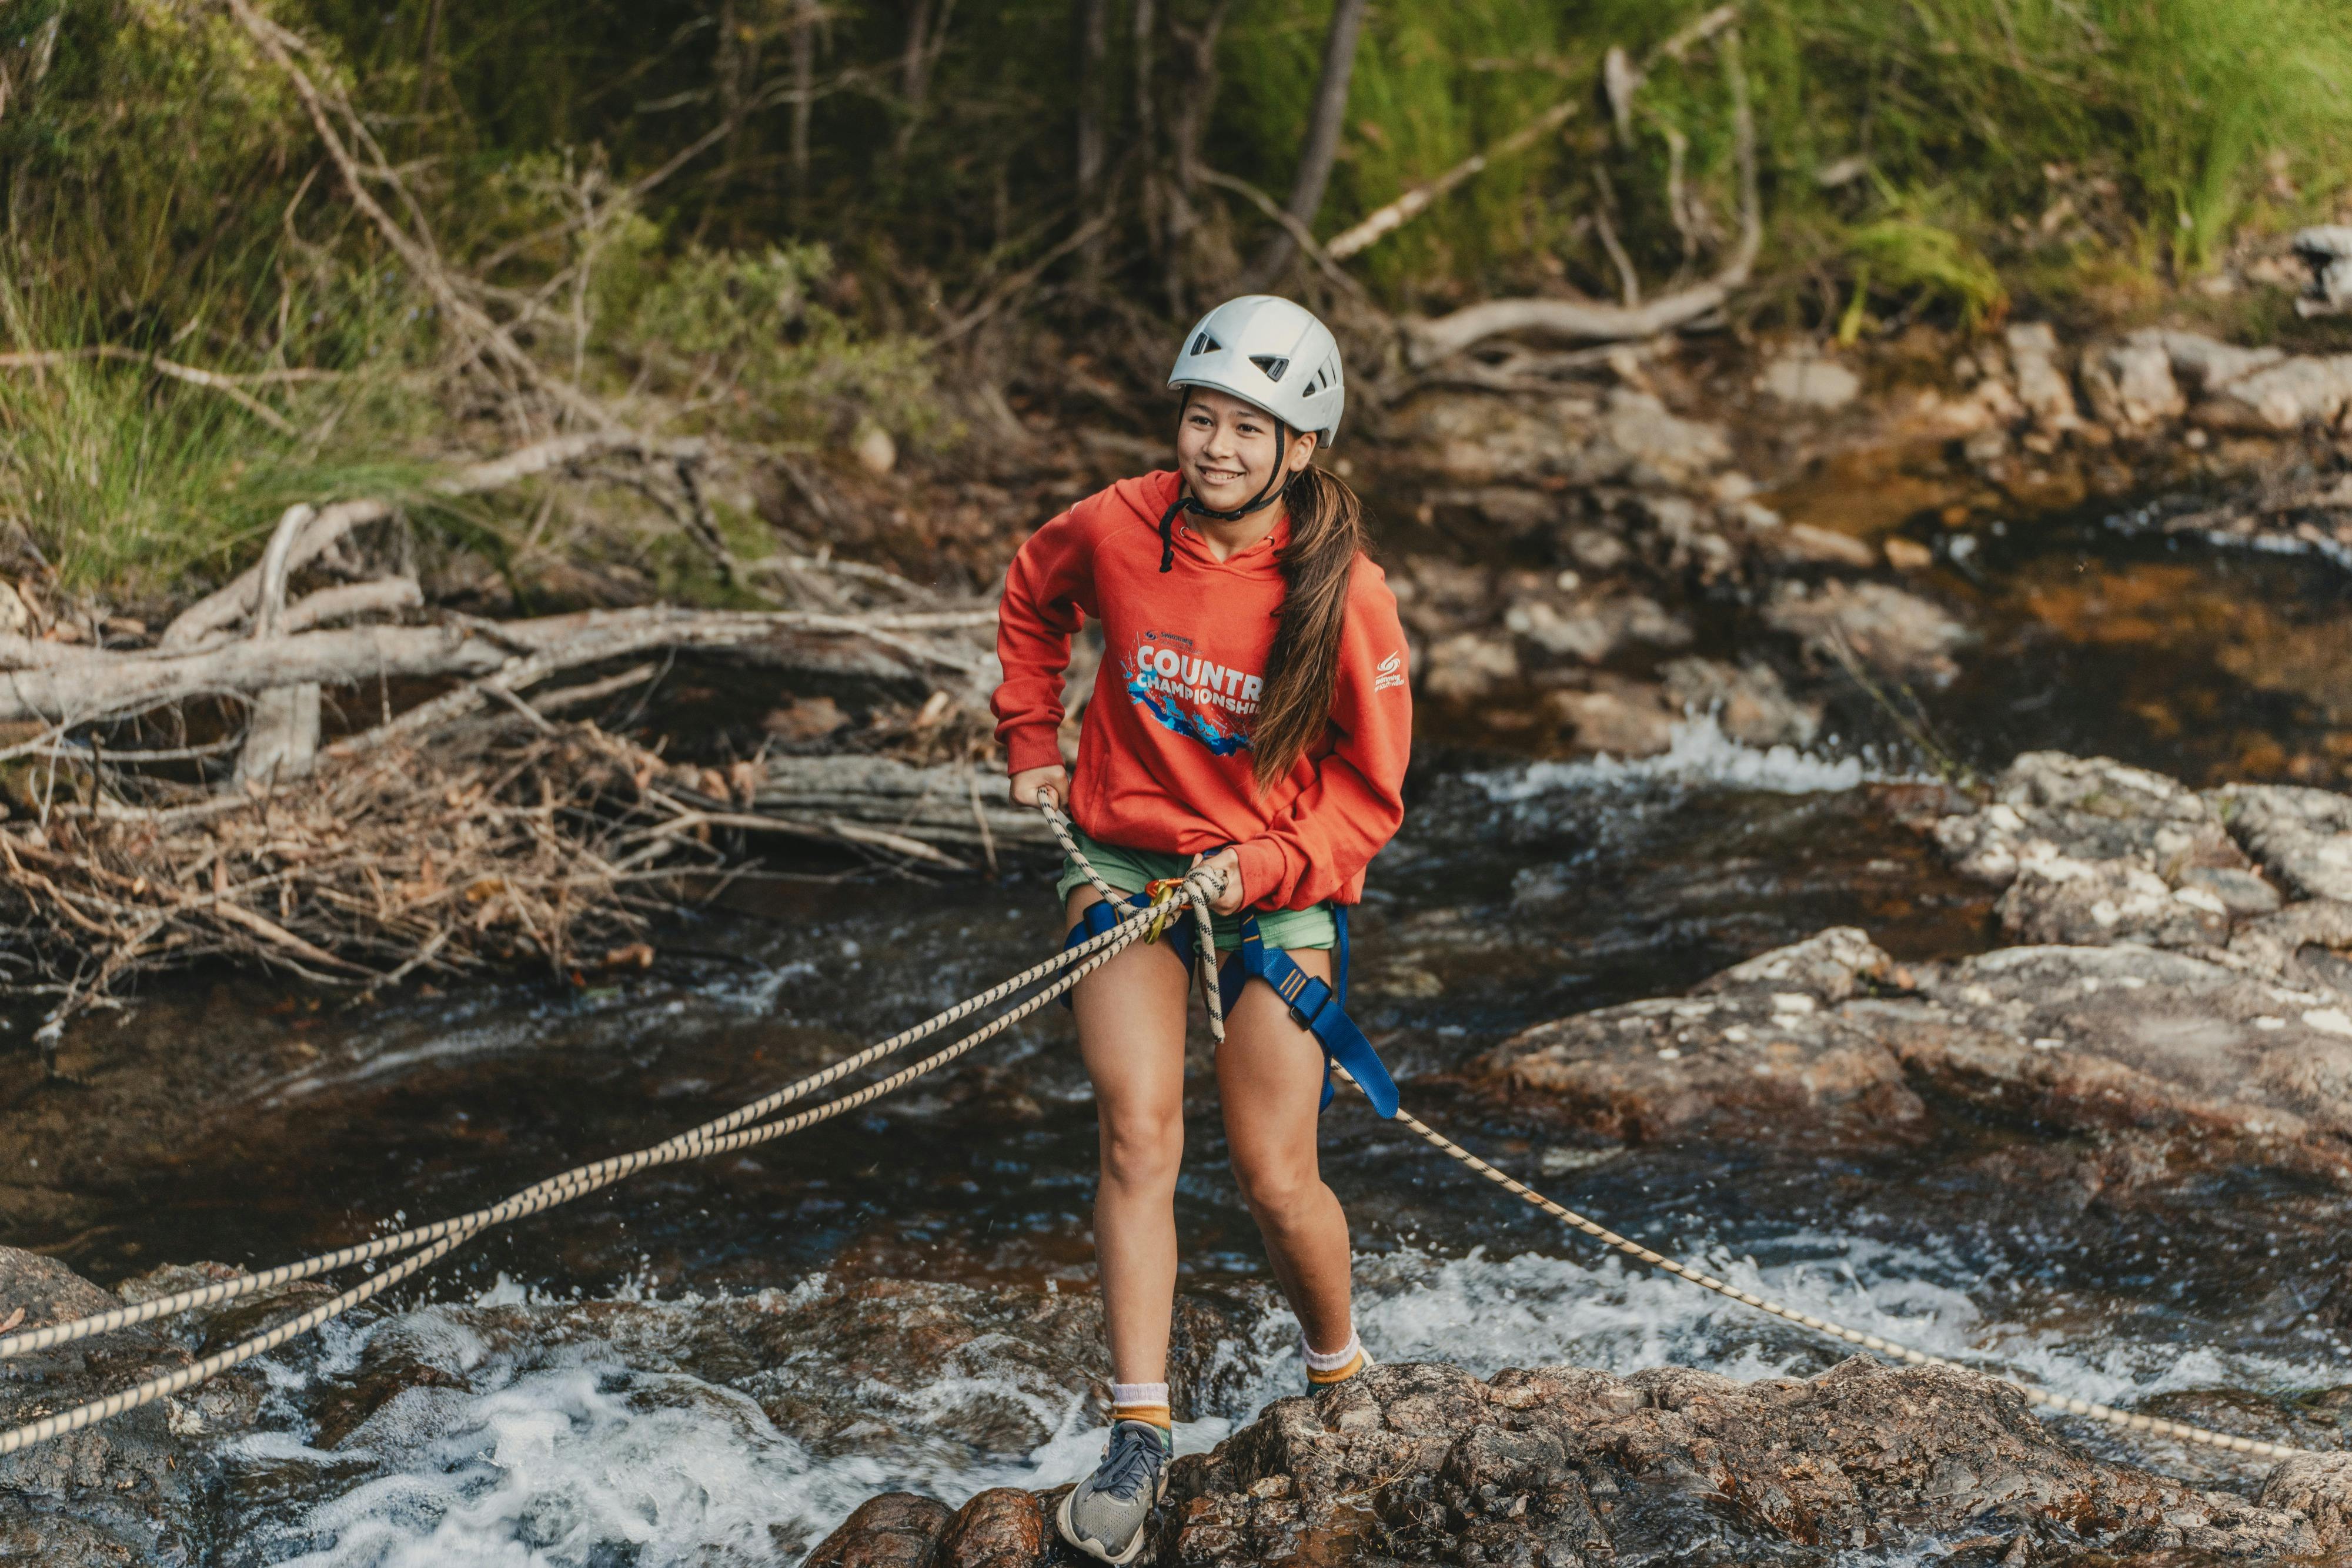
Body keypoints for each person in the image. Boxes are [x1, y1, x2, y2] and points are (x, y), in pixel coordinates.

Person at [991, 295, 1413, 1563]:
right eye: (1201, 417)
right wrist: (1027, 734)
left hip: (1274, 890)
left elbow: (1368, 796)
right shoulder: (1119, 525)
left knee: (1277, 1176)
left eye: (1248, 428)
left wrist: (1267, 863)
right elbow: (1032, 593)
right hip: (1122, 861)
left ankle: (1339, 1374)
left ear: (1301, 451)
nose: (1215, 446)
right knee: (1136, 1129)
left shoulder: (1346, 597)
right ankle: (1137, 1428)